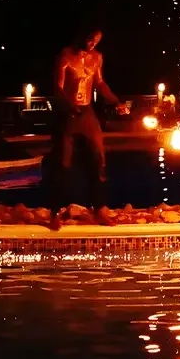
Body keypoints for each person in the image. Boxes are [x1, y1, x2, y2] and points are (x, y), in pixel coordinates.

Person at [48, 30, 129, 226]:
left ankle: (100, 209)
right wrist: (68, 106)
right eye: (90, 38)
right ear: (81, 35)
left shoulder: (97, 58)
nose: (93, 43)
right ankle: (55, 212)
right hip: (68, 114)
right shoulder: (66, 55)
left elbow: (99, 83)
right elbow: (57, 88)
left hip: (86, 112)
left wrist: (116, 101)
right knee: (63, 163)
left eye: (97, 40)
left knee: (99, 159)